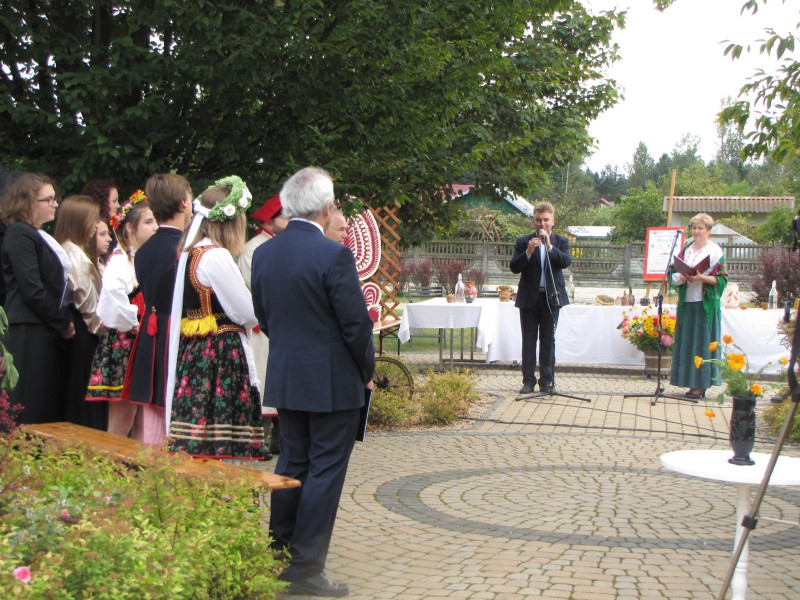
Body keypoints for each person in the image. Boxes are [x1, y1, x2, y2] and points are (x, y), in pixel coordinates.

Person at [251, 167, 375, 598]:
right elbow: (355, 325)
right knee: (324, 471)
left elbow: (264, 316)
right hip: (332, 382)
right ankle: (305, 568)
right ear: (325, 208)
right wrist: (366, 371)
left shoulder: (265, 253)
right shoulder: (333, 254)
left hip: (288, 377)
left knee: (291, 463)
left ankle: (280, 551)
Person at [165, 176, 267, 460]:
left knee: (199, 426)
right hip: (221, 354)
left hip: (196, 353)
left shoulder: (191, 252)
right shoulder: (216, 256)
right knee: (222, 433)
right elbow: (247, 312)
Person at [121, 173, 193, 443]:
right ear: (183, 203)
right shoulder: (183, 249)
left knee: (150, 414)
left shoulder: (143, 250)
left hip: (150, 334)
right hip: (177, 333)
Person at [0, 173, 75, 423]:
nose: (55, 204)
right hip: (28, 327)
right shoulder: (19, 234)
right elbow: (32, 288)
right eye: (48, 199)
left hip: (40, 326)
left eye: (55, 198)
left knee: (41, 401)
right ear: (29, 201)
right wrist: (62, 323)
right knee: (29, 403)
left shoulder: (35, 234)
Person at [86, 191, 159, 438]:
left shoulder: (142, 258)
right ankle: (107, 463)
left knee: (141, 420)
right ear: (129, 228)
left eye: (156, 221)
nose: (155, 227)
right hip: (126, 344)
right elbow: (111, 304)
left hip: (140, 341)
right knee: (122, 420)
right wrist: (137, 321)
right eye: (148, 222)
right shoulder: (120, 262)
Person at [238, 192, 286, 455]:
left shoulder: (282, 245)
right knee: (263, 381)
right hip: (262, 325)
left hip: (281, 325)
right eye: (285, 217)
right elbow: (254, 285)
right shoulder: (252, 248)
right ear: (270, 221)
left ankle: (280, 437)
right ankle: (259, 439)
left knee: (278, 379)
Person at [54, 195, 106, 430]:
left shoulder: (63, 248)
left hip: (77, 326)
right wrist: (101, 330)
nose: (95, 226)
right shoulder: (76, 256)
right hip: (85, 330)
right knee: (83, 388)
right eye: (92, 220)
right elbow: (87, 303)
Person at [509, 201, 572, 394]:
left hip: (551, 298)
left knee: (548, 341)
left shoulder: (561, 242)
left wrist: (550, 247)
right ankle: (528, 381)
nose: (542, 224)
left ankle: (547, 381)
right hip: (529, 298)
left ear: (553, 221)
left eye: (546, 220)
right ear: (533, 221)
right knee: (529, 341)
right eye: (538, 220)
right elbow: (514, 267)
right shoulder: (523, 242)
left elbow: (565, 262)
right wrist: (528, 252)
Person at [669, 213, 727, 399]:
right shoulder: (686, 249)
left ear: (708, 230)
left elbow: (722, 280)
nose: (696, 231)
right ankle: (688, 381)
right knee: (687, 341)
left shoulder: (715, 250)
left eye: (700, 228)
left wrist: (701, 277)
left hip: (705, 304)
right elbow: (673, 273)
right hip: (687, 302)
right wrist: (680, 277)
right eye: (694, 228)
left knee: (702, 343)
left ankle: (701, 385)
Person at [81, 179, 121, 254]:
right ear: (102, 203)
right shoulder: (92, 230)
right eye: (114, 201)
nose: (118, 206)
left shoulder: (114, 227)